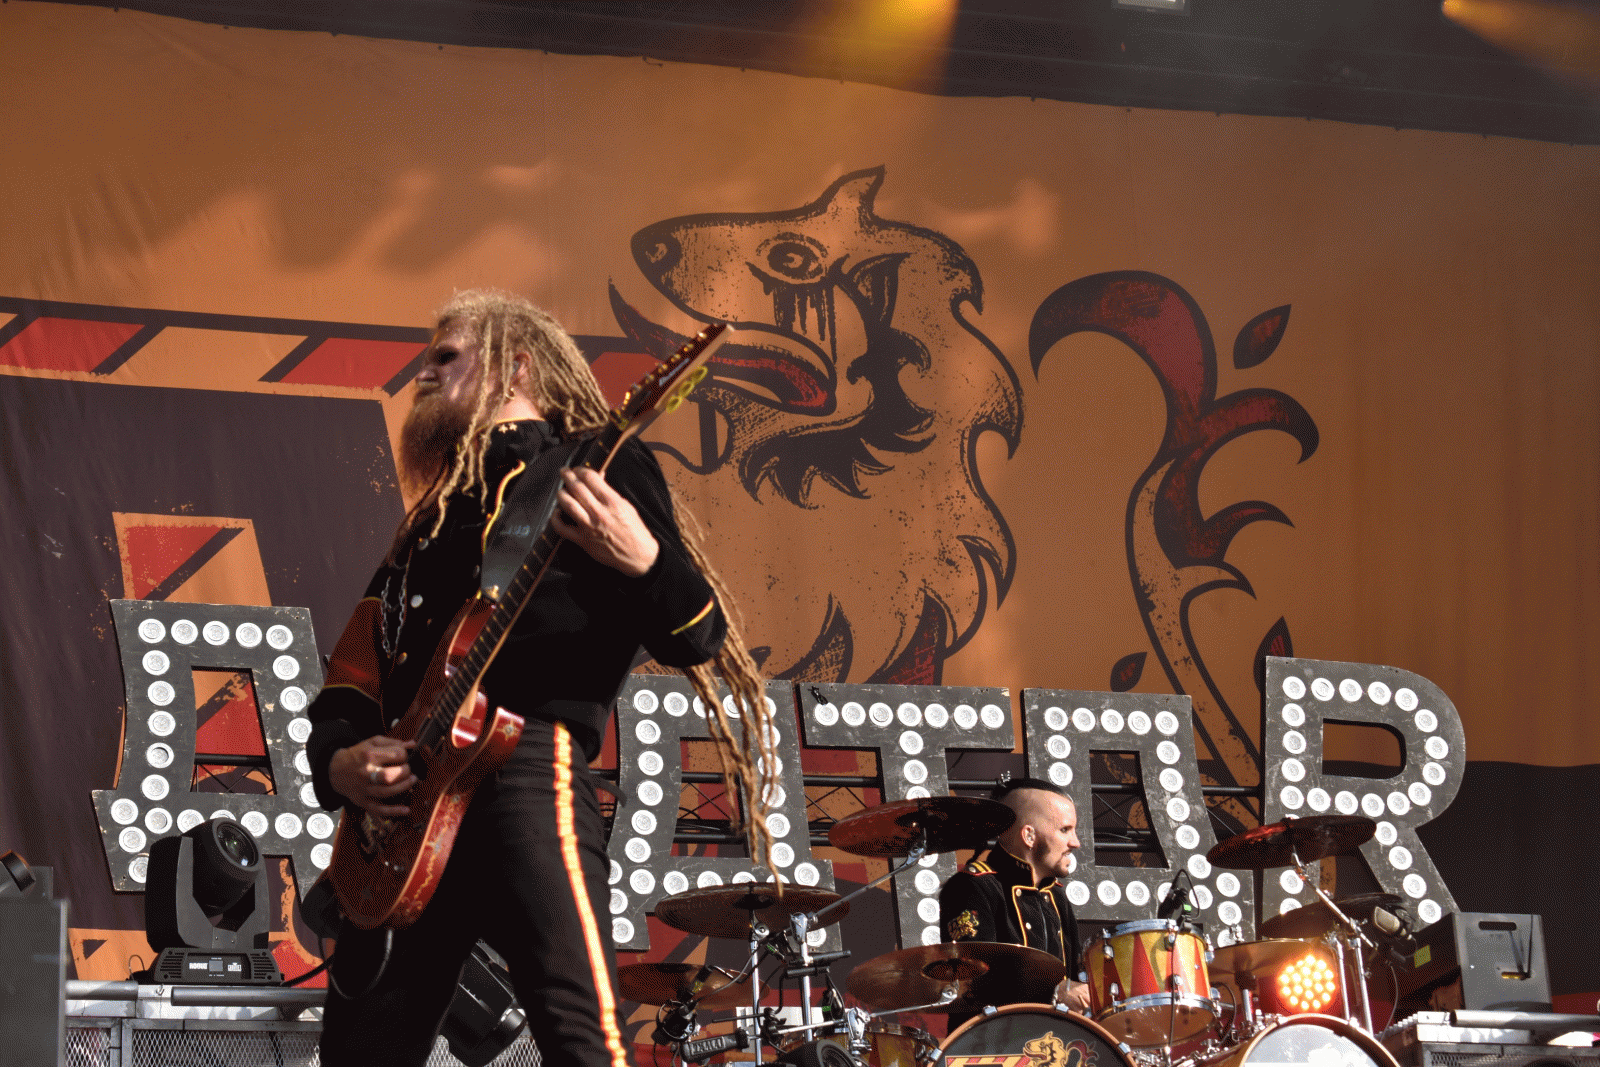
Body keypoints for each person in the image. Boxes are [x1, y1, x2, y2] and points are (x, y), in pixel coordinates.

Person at [305, 289, 769, 1067]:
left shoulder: (596, 466)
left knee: (578, 1029)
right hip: (406, 810)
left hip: (522, 766)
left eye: (447, 356)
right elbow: (354, 672)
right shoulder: (428, 525)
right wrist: (339, 760)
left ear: (513, 365)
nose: (425, 372)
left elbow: (699, 632)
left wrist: (643, 559)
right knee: (359, 1053)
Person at [938, 778, 1093, 1016]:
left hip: (1054, 1035)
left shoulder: (1056, 895)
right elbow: (971, 981)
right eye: (1065, 830)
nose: (1076, 843)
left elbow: (1073, 979)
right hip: (989, 1037)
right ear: (1029, 836)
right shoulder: (972, 886)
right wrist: (1054, 993)